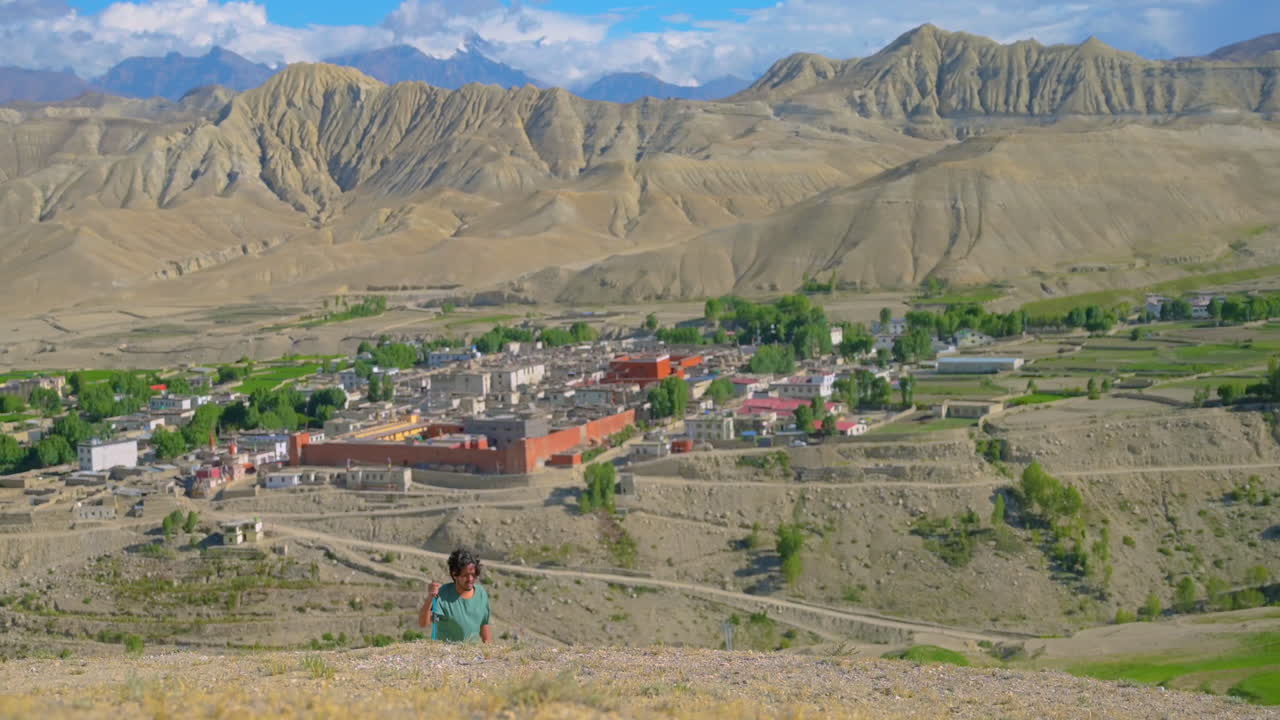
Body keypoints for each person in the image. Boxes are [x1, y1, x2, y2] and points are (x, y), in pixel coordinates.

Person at [418, 547, 491, 643]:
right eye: (465, 575)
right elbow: (423, 623)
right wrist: (430, 598)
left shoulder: (481, 594)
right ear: (454, 574)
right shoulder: (442, 595)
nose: (470, 579)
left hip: (473, 651)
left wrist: (488, 649)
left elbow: (484, 625)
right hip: (448, 651)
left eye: (473, 575)